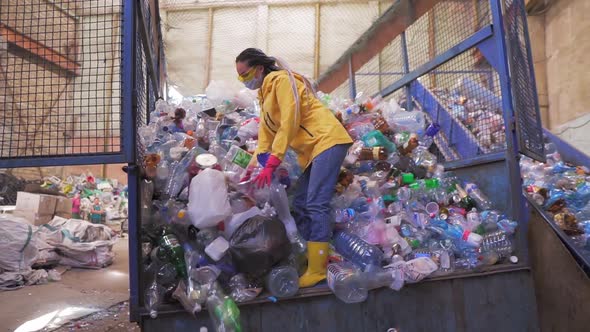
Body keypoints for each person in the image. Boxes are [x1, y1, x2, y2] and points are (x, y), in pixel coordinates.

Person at [235, 48, 353, 288]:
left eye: (246, 74)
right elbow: (266, 135)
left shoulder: (281, 81)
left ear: (259, 69)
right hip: (314, 149)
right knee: (300, 202)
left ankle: (318, 268)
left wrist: (275, 161)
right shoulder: (265, 96)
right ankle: (311, 254)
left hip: (327, 140)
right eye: (240, 77)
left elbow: (290, 119)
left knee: (316, 203)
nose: (245, 81)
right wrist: (253, 166)